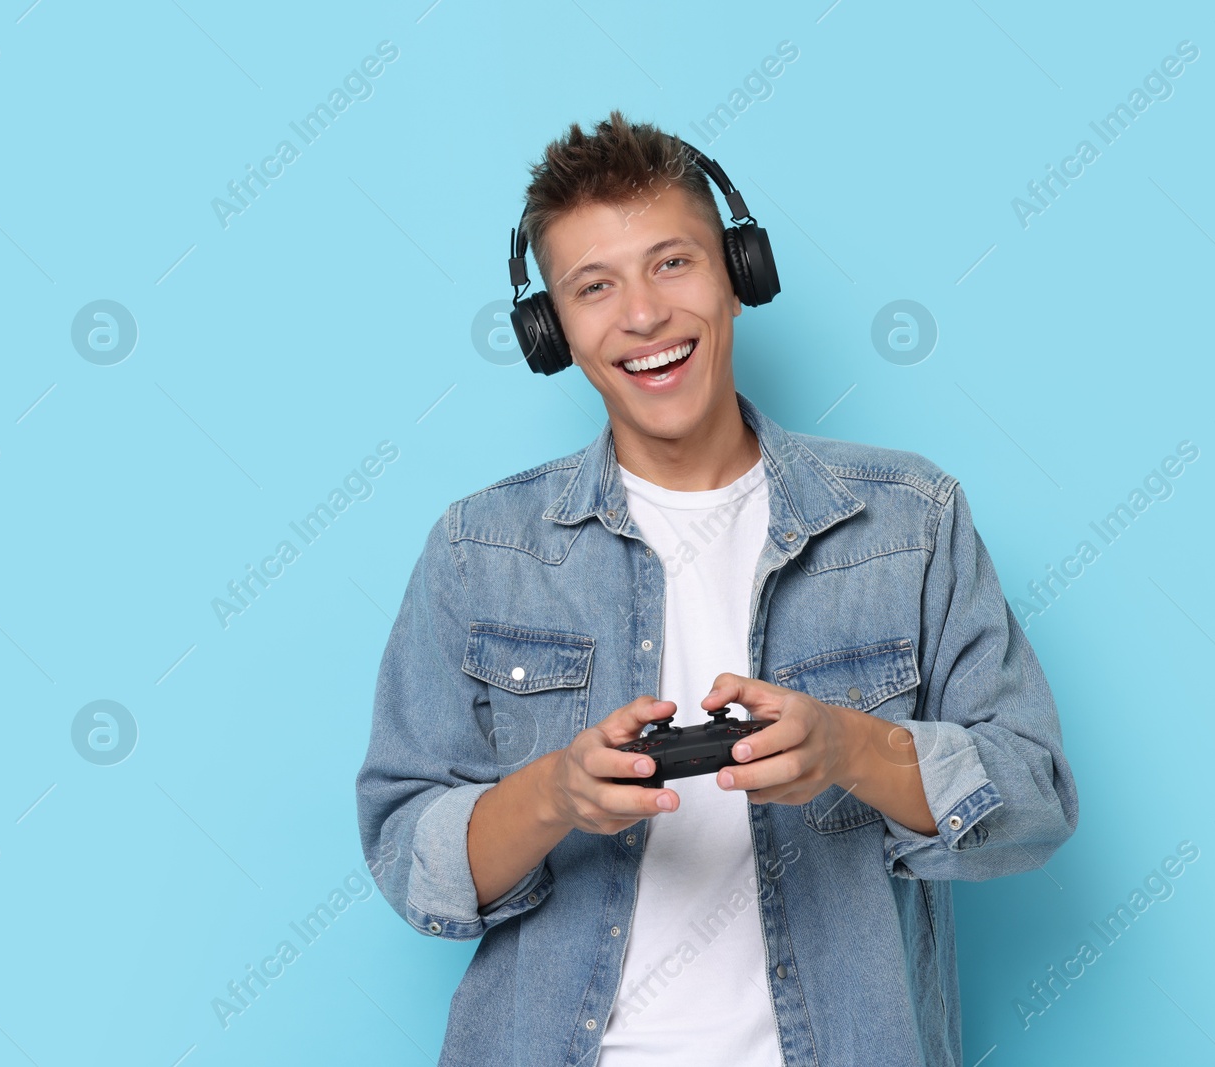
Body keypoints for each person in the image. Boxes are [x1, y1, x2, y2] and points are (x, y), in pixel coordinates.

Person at [355, 109, 1078, 1067]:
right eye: (593, 287)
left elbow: (1032, 804)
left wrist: (850, 748)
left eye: (672, 263)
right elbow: (411, 858)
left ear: (740, 276)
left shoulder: (911, 519)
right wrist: (557, 793)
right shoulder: (477, 549)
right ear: (552, 331)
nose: (644, 315)